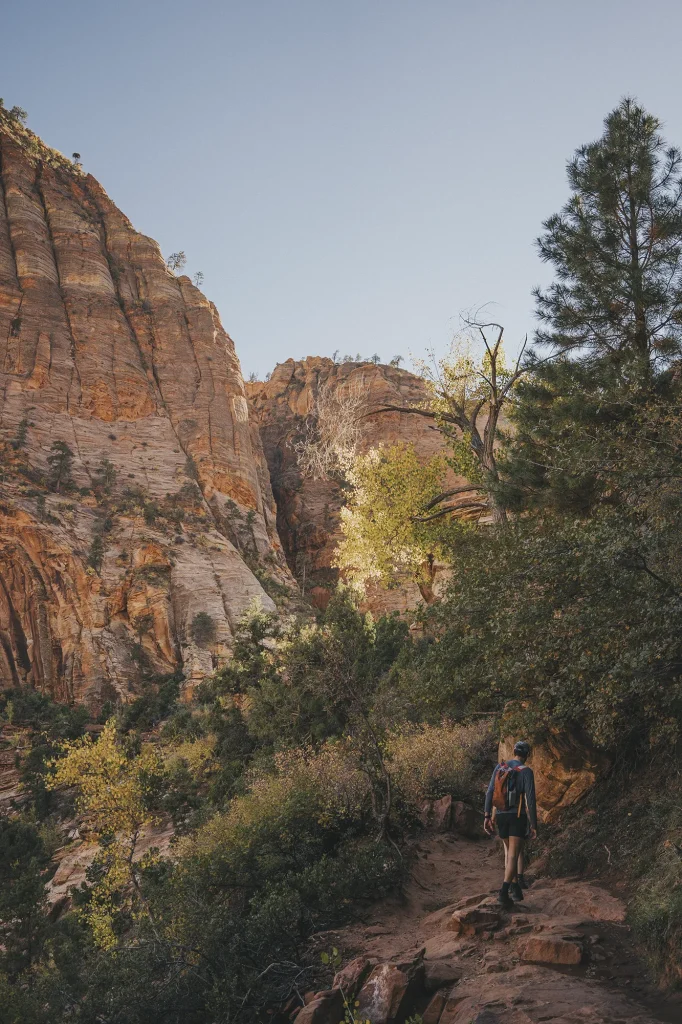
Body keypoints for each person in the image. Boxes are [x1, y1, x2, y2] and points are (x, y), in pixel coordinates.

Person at [484, 740, 537, 908]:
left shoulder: (500, 767)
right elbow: (530, 799)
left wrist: (487, 816)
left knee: (510, 855)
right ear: (527, 755)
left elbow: (490, 791)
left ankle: (515, 889)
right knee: (513, 855)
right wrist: (534, 825)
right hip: (517, 815)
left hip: (500, 816)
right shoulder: (526, 771)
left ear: (514, 751)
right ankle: (503, 892)